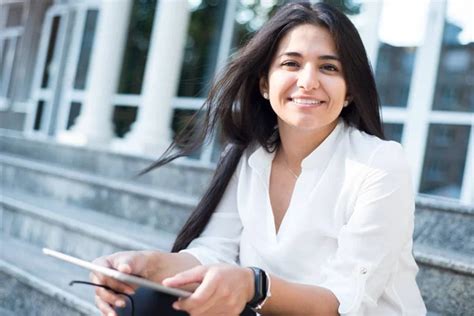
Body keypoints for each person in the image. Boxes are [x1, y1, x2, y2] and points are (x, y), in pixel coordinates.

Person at [91, 1, 427, 315]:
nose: (308, 82)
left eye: (328, 67)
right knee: (142, 300)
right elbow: (213, 252)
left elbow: (344, 302)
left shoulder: (380, 163)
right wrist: (143, 265)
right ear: (264, 84)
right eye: (291, 64)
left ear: (350, 90)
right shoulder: (247, 155)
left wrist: (255, 284)